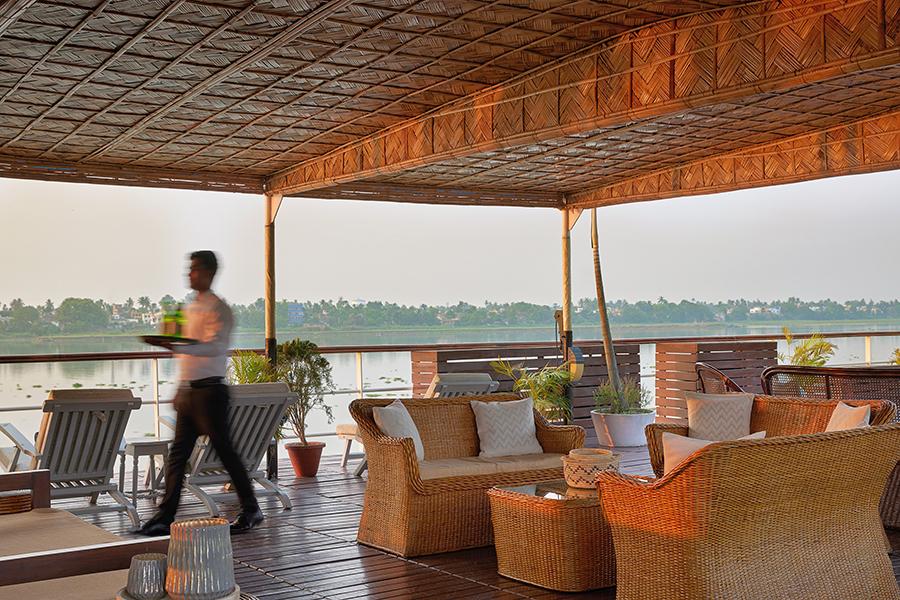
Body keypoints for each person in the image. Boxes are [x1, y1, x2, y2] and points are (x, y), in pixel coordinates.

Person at [138, 251, 263, 536]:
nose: (189, 274)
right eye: (189, 268)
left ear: (208, 272)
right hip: (191, 393)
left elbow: (212, 347)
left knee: (226, 453)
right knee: (178, 456)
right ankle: (165, 516)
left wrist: (175, 345)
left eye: (193, 269)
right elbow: (187, 350)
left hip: (211, 393)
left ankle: (252, 508)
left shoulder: (220, 310)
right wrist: (181, 385)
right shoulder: (190, 307)